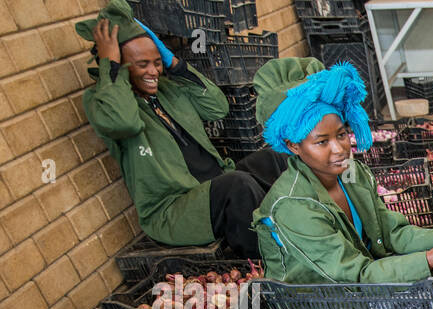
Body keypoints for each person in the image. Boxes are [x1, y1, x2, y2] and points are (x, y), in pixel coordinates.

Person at [78, 0, 288, 257]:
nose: (153, 71)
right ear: (120, 66)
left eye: (157, 62)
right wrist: (109, 65)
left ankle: (310, 229)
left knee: (275, 159)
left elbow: (217, 107)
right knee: (239, 187)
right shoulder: (103, 101)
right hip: (176, 207)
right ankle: (273, 266)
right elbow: (122, 122)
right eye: (142, 64)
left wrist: (174, 64)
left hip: (214, 181)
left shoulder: (167, 90)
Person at [251, 59, 433, 283]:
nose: (339, 149)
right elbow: (355, 276)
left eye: (341, 135)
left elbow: (390, 233)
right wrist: (427, 261)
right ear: (293, 146)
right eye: (322, 142)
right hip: (319, 305)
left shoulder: (351, 173)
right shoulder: (293, 206)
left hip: (364, 283)